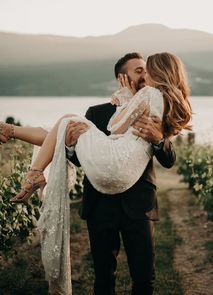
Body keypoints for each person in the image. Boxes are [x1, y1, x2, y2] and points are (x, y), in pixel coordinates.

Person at [0, 52, 191, 294]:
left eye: (146, 69)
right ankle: (16, 139)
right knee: (103, 276)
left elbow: (169, 159)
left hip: (138, 204)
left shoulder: (152, 99)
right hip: (101, 205)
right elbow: (82, 159)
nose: (144, 75)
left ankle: (22, 152)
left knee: (144, 276)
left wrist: (158, 139)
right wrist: (69, 146)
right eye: (138, 71)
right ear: (122, 77)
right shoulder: (97, 112)